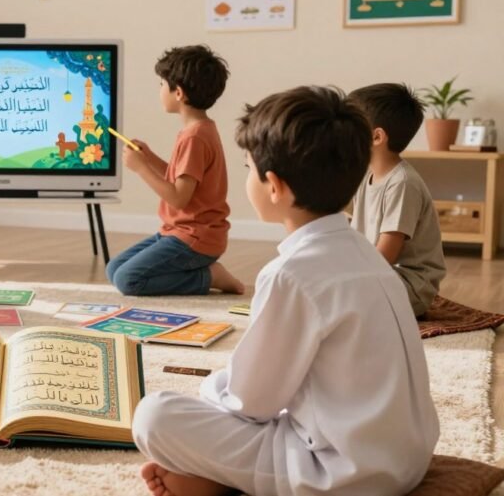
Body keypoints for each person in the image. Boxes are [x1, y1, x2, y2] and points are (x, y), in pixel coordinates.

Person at [133, 86, 438, 496]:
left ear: (273, 185)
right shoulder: (366, 256)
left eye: (247, 167)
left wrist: (210, 388)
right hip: (409, 460)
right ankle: (221, 476)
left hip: (341, 475)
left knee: (153, 415)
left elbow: (250, 402)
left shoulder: (290, 274)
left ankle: (227, 478)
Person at [107, 45, 243, 296]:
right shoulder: (200, 129)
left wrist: (141, 168)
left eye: (161, 84)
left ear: (178, 92)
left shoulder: (195, 137)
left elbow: (179, 197)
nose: (159, 91)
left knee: (128, 280)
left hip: (195, 238)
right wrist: (149, 158)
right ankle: (201, 271)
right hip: (179, 232)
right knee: (114, 269)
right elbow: (184, 178)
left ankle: (210, 275)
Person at [348, 83, 446, 316]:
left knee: (338, 292)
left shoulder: (402, 183)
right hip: (379, 274)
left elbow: (385, 257)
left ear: (376, 136)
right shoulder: (367, 176)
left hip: (408, 285)